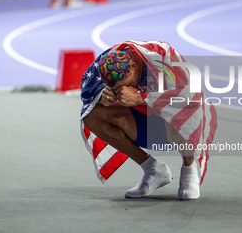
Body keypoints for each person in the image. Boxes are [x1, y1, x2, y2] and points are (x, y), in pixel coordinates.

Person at [80, 40, 217, 199]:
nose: (120, 91)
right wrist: (104, 95)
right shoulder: (108, 61)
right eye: (115, 89)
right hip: (145, 125)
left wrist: (141, 98)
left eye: (125, 85)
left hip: (179, 128)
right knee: (92, 115)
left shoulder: (161, 57)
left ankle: (189, 167)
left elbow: (190, 96)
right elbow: (86, 93)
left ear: (132, 66)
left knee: (174, 110)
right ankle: (153, 170)